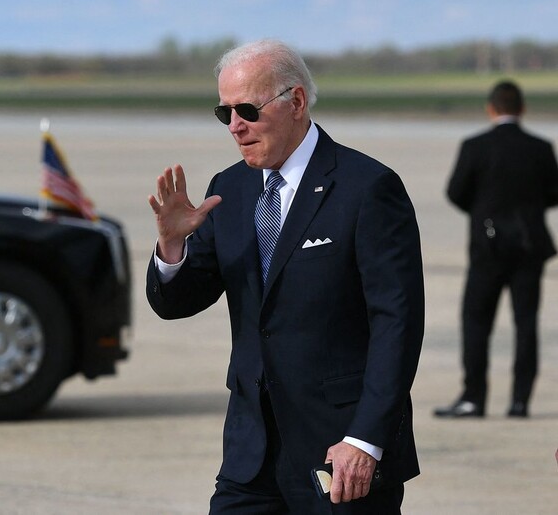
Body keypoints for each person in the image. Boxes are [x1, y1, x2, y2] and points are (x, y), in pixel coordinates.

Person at [146, 39, 425, 514]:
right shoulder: (227, 190)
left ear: (295, 102)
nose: (235, 127)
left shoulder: (368, 188)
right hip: (250, 455)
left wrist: (365, 438)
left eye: (248, 110)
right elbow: (177, 303)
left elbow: (397, 324)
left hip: (340, 455)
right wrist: (172, 248)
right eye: (224, 113)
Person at [435, 80, 558, 420]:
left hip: (487, 248)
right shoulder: (540, 147)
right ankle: (520, 401)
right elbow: (554, 192)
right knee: (526, 323)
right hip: (529, 245)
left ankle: (474, 397)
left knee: (476, 322)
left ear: (491, 108)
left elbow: (456, 191)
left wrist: (482, 211)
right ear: (522, 109)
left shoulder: (475, 145)